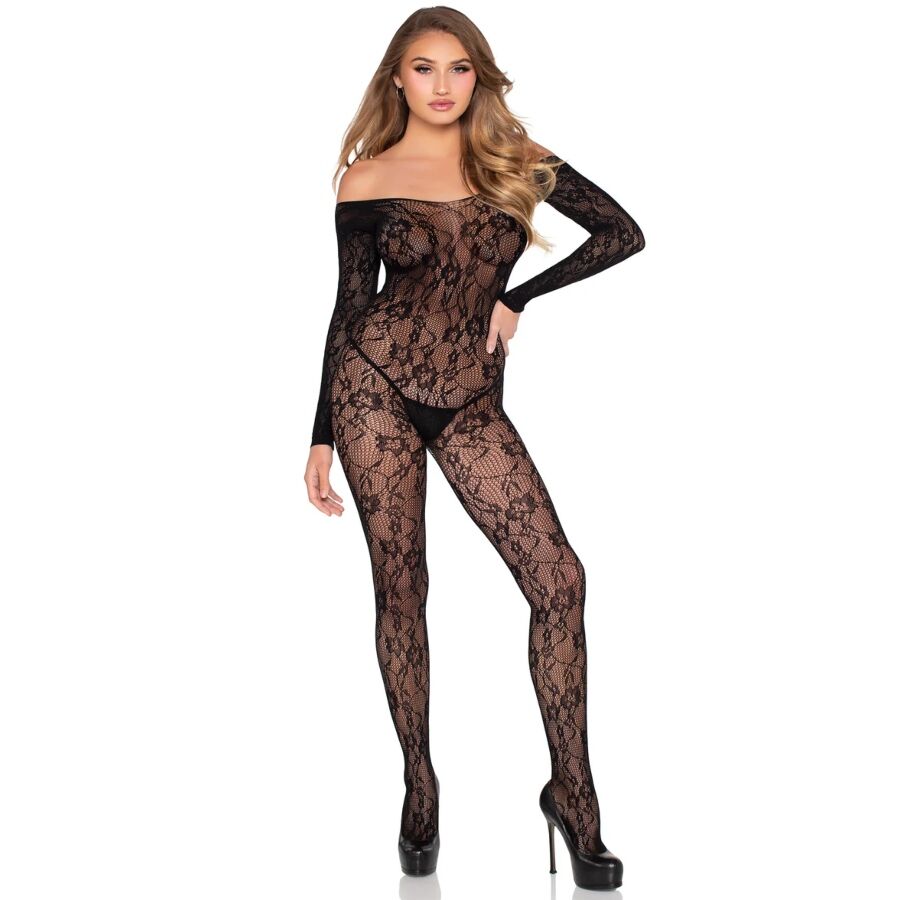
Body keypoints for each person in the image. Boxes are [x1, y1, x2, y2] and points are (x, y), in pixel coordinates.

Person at [304, 8, 645, 890]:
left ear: (479, 77)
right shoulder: (366, 178)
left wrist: (521, 295)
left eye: (459, 68)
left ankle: (573, 796)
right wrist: (320, 434)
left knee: (560, 581)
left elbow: (621, 233)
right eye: (424, 68)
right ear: (397, 78)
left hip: (470, 401)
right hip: (371, 388)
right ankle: (419, 786)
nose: (443, 85)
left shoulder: (515, 160)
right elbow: (348, 308)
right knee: (403, 588)